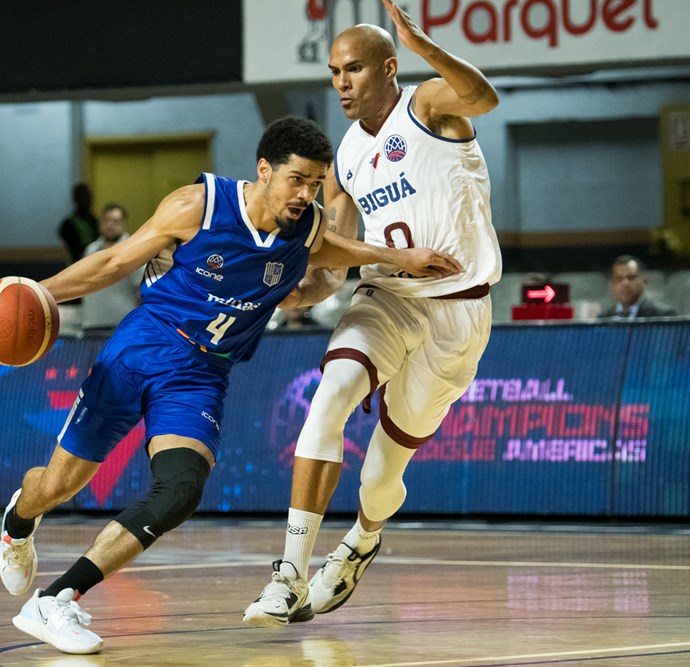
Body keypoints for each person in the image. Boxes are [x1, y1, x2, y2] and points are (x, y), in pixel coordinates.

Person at [0, 116, 463, 655]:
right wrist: (30, 292)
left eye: (316, 183)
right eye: (297, 180)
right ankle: (19, 518)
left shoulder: (304, 224)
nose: (306, 194)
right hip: (142, 348)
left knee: (180, 491)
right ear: (264, 170)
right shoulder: (198, 205)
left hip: (200, 376)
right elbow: (115, 262)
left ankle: (56, 599)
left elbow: (333, 248)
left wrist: (396, 257)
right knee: (57, 486)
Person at [243, 0, 503, 628]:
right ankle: (287, 575)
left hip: (459, 312)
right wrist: (299, 293)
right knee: (328, 398)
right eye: (334, 72)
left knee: (384, 474)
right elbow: (332, 264)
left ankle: (361, 540)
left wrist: (426, 46)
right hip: (386, 295)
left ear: (390, 68)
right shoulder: (345, 161)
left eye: (353, 69)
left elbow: (485, 97)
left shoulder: (430, 105)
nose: (340, 84)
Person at [79, 203, 143, 334]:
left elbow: (143, 290)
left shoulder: (135, 250)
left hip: (123, 325)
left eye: (115, 221)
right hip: (92, 323)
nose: (110, 225)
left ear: (123, 224)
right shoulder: (91, 250)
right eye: (106, 220)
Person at [597, 255, 678, 320]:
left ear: (644, 281)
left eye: (631, 277)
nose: (625, 283)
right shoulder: (603, 319)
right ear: (611, 285)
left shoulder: (664, 316)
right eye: (619, 279)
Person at [58, 183, 100, 265]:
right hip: (77, 264)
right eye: (83, 198)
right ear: (76, 200)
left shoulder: (94, 220)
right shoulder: (68, 223)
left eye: (89, 197)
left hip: (95, 262)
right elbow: (74, 250)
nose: (88, 201)